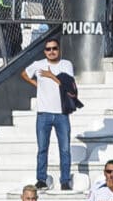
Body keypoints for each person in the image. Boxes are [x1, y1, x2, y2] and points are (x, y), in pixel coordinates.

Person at [22, 36, 76, 192]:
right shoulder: (38, 65)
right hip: (44, 113)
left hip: (61, 113)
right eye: (48, 49)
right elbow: (24, 74)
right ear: (44, 51)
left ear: (59, 50)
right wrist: (37, 84)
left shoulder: (66, 64)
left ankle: (64, 180)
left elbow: (67, 85)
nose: (51, 52)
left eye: (54, 48)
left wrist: (50, 75)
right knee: (42, 148)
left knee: (64, 149)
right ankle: (41, 179)